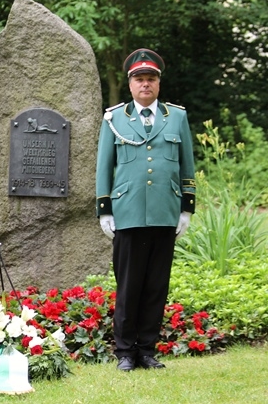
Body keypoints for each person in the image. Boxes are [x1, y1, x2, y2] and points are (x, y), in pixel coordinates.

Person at [95, 48, 196, 372]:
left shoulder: (176, 117)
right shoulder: (114, 118)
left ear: (158, 83)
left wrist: (186, 209)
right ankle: (125, 352)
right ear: (130, 84)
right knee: (128, 287)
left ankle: (147, 351)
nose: (145, 84)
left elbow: (187, 165)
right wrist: (105, 210)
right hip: (128, 214)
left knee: (156, 287)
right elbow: (103, 167)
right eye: (139, 79)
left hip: (165, 212)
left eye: (151, 78)